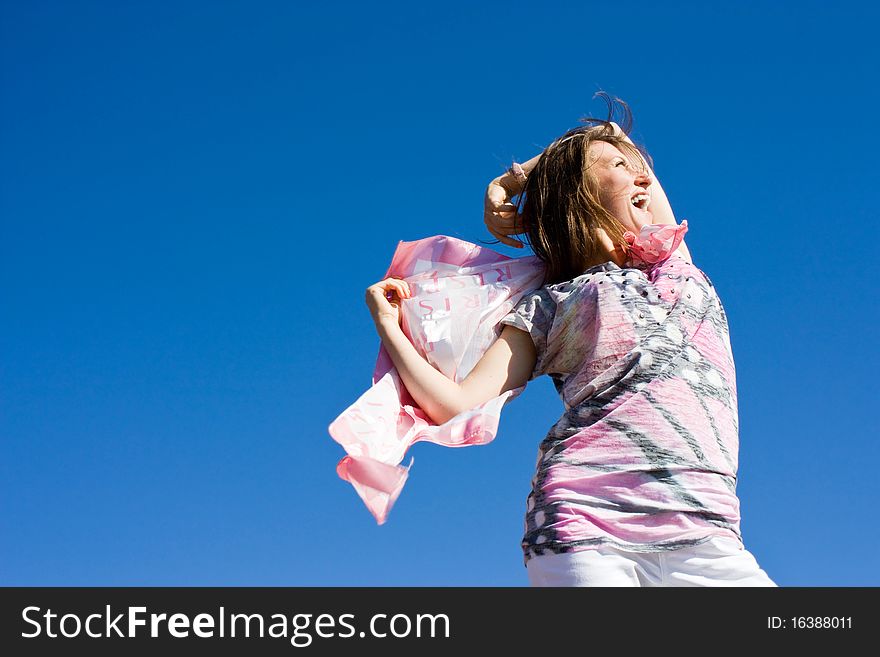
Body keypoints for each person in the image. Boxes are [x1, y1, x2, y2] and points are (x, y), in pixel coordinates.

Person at [364, 94, 776, 587]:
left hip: (708, 530)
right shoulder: (550, 306)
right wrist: (388, 324)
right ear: (580, 193)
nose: (641, 173)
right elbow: (453, 403)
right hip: (584, 525)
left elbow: (613, 134)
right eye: (619, 168)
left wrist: (515, 179)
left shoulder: (673, 262)